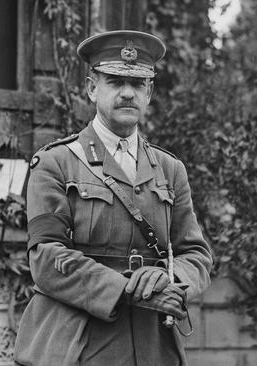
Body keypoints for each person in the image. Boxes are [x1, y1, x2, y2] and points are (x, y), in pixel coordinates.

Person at [13, 30, 212, 366]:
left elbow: (196, 253)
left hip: (153, 347)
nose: (127, 94)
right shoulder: (55, 162)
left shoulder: (169, 168)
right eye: (115, 82)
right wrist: (129, 289)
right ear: (92, 88)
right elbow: (46, 259)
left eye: (137, 84)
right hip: (80, 343)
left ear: (148, 92)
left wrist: (171, 280)